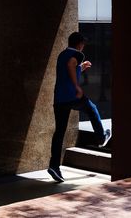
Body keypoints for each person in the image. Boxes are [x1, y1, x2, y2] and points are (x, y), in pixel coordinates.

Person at [47, 32, 111, 182]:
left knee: (59, 132)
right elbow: (71, 65)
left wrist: (80, 68)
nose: (83, 47)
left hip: (59, 98)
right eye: (83, 44)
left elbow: (69, 69)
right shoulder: (77, 54)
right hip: (72, 95)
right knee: (92, 108)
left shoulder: (62, 54)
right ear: (79, 44)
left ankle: (54, 167)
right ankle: (101, 138)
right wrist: (77, 86)